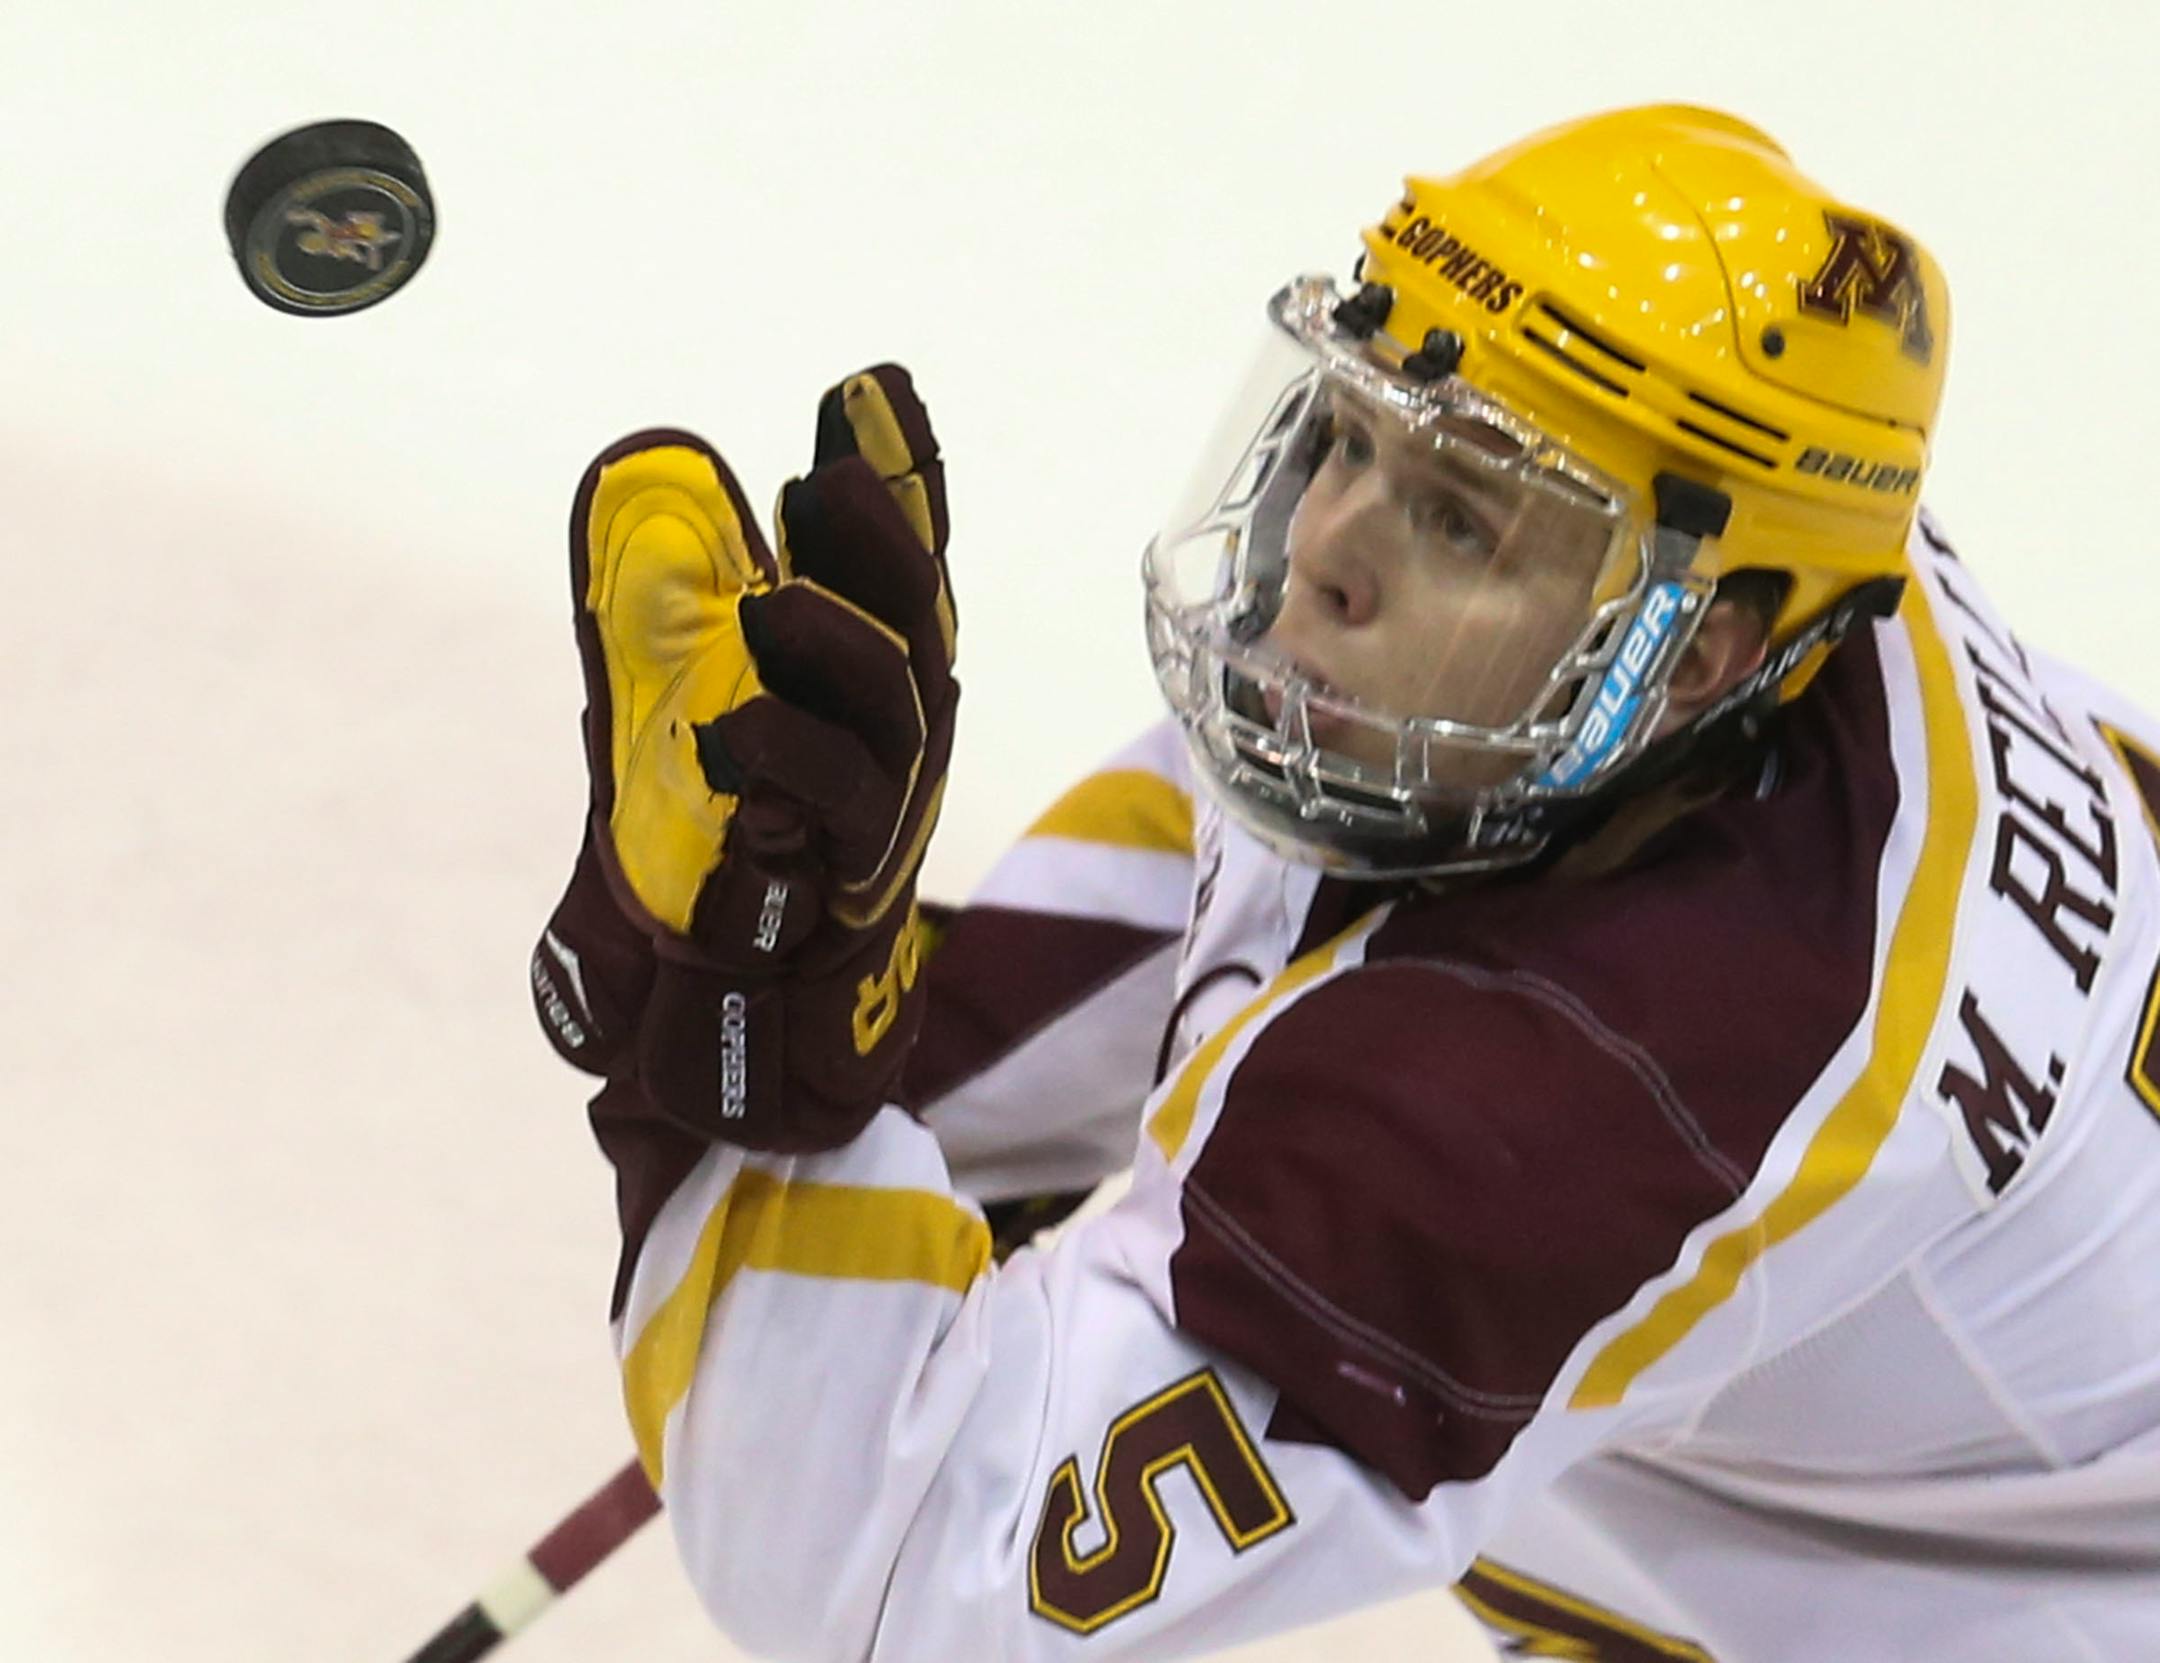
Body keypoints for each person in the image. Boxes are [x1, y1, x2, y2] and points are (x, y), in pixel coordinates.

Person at [527, 105, 2160, 1660]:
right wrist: (852, 1025)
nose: (1324, 553)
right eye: (1351, 434)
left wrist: (741, 1042)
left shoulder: (1585, 1104)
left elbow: (882, 1575)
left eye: (1461, 519)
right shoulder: (1712, 623)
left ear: (1695, 659)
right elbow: (1241, 883)